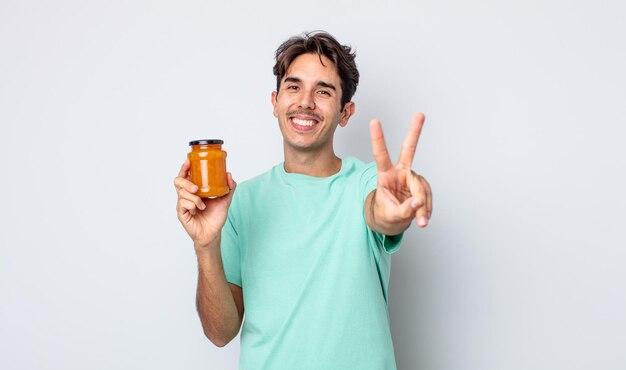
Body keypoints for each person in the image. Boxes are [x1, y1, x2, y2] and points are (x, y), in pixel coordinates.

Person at [174, 31, 433, 370]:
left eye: (323, 91)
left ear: (345, 112)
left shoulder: (366, 183)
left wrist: (398, 205)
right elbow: (220, 333)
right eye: (293, 87)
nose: (305, 102)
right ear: (275, 101)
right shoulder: (240, 200)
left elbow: (382, 212)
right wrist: (206, 245)